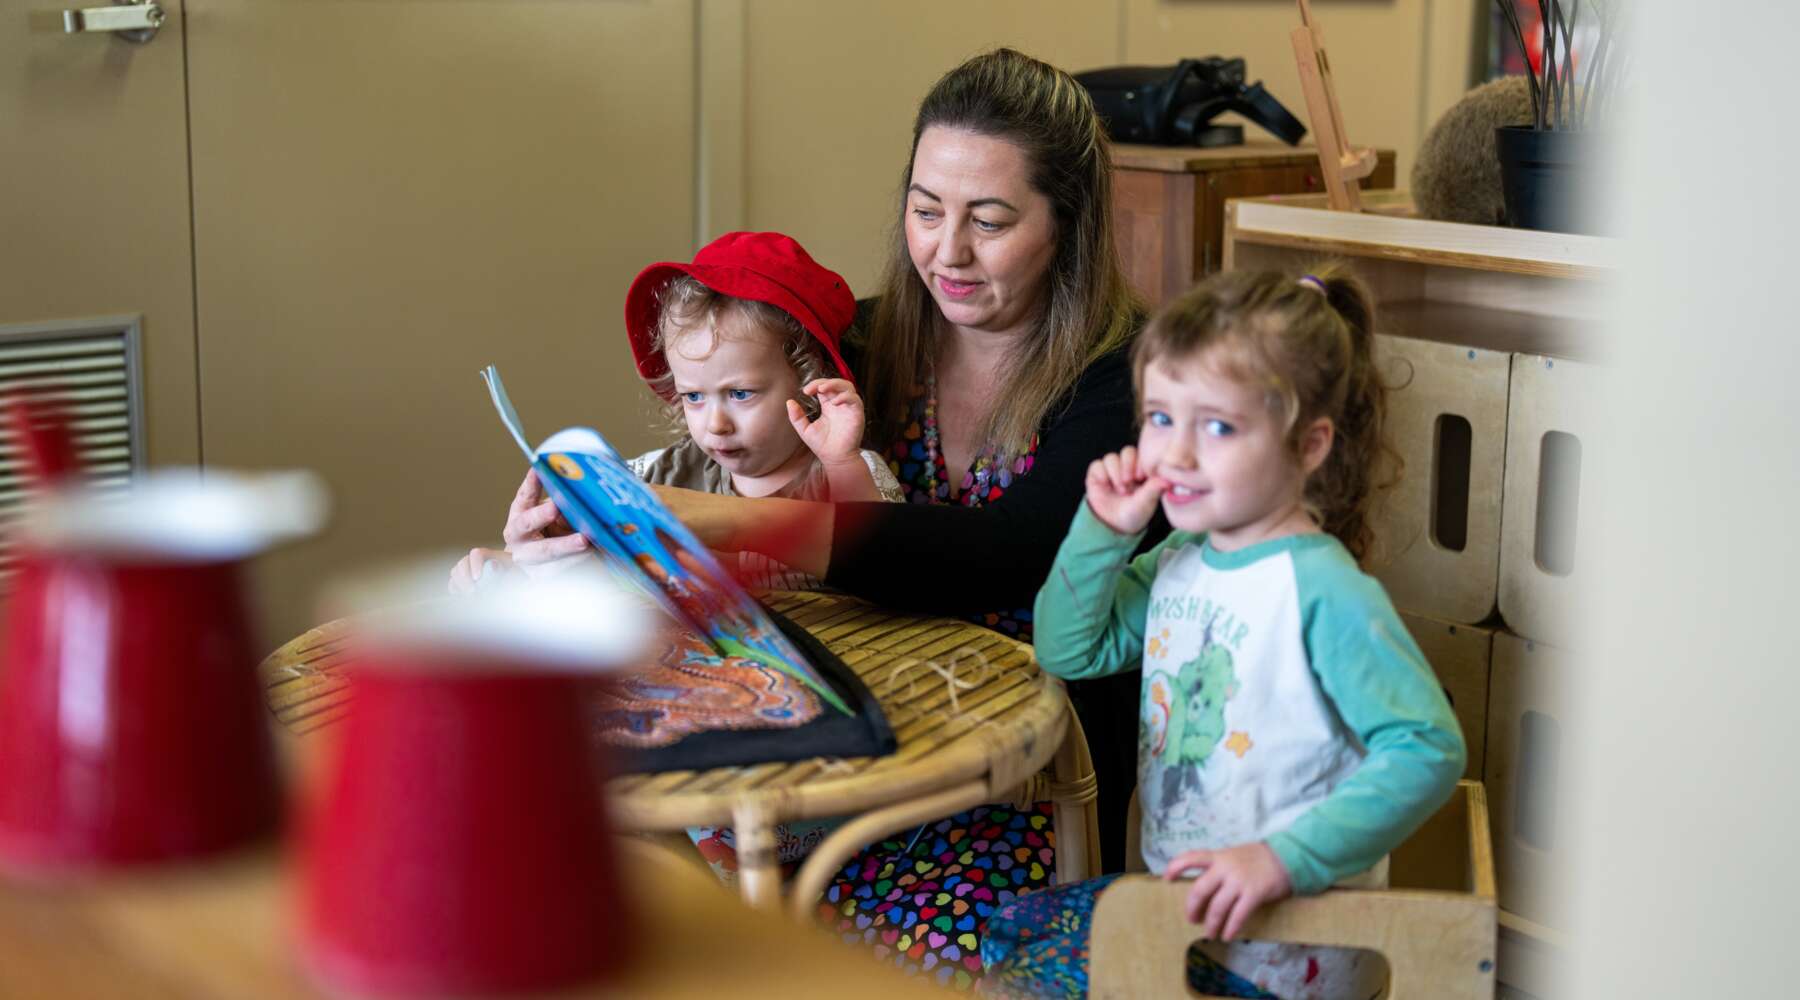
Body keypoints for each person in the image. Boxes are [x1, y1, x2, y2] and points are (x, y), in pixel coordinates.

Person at [493, 48, 1152, 989]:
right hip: (834, 754)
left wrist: (714, 524)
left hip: (1021, 781)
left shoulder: (1125, 380)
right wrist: (560, 535)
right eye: (926, 211)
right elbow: (722, 421)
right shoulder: (861, 345)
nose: (947, 252)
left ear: (1071, 226)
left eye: (990, 220)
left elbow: (1012, 557)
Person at [977, 266, 1466, 999]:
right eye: (1162, 418)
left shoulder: (1320, 589)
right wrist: (1103, 531)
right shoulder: (1179, 560)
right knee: (1010, 929)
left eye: (1218, 426)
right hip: (1188, 922)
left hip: (1286, 956)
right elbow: (1066, 649)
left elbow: (1429, 749)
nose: (1175, 454)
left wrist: (1282, 858)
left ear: (1309, 446)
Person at [449, 230, 904, 595]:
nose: (716, 424)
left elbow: (886, 557)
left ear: (810, 382)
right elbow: (589, 549)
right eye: (693, 397)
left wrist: (843, 462)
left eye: (741, 393)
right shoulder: (663, 474)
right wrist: (524, 555)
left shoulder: (843, 472)